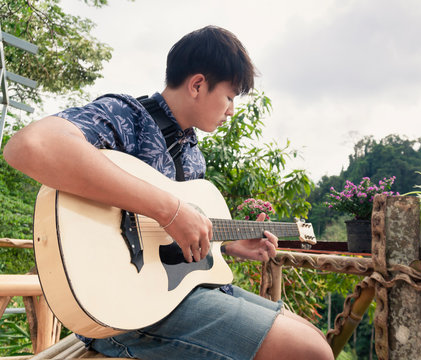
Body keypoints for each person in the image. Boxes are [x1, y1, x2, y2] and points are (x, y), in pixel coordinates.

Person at [4, 26, 333, 360]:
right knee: (311, 352)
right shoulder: (126, 116)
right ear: (198, 84)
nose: (232, 110)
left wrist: (226, 242)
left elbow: (169, 250)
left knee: (314, 336)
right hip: (123, 311)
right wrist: (170, 210)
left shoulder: (193, 155)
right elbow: (30, 146)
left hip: (177, 297)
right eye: (230, 96)